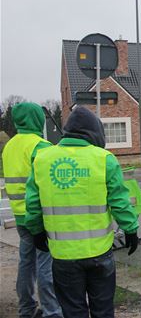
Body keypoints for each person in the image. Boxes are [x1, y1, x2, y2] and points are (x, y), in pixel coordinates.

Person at [25, 106, 139, 318]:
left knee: (73, 310)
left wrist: (37, 232)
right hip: (100, 252)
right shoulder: (104, 159)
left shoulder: (42, 159)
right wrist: (130, 230)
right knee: (103, 310)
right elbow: (119, 201)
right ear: (95, 133)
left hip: (63, 254)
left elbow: (32, 203)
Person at [1, 102, 63, 318]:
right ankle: (51, 311)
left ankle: (26, 309)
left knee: (26, 262)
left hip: (19, 215)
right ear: (37, 119)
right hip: (39, 216)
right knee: (46, 263)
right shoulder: (40, 145)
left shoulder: (10, 145)